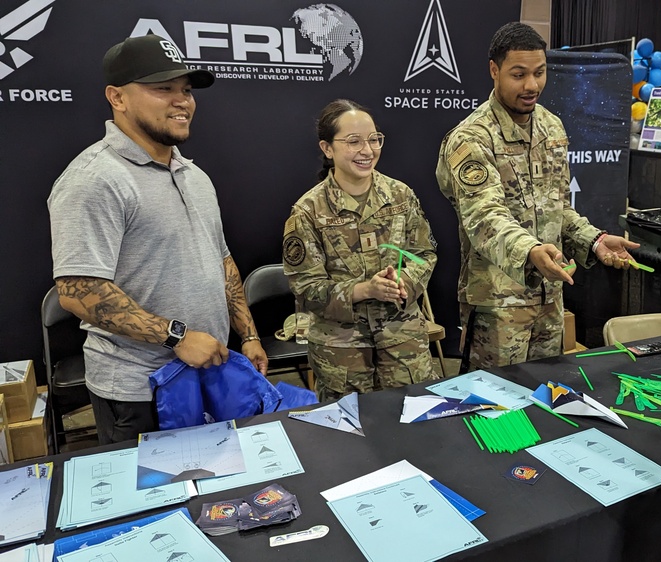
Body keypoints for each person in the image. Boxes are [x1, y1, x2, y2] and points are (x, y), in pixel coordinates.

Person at [48, 34, 267, 444]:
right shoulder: (94, 179)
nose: (181, 100)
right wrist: (177, 336)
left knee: (217, 496)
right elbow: (79, 291)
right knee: (156, 505)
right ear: (118, 97)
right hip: (137, 392)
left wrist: (249, 335)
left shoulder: (194, 175)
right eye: (162, 89)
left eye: (185, 90)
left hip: (211, 373)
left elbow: (221, 260)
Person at [436, 22, 639, 371]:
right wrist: (529, 250)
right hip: (498, 306)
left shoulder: (551, 126)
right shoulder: (472, 138)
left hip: (550, 298)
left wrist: (594, 240)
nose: (532, 85)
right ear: (494, 71)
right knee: (495, 407)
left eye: (539, 73)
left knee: (546, 401)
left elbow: (558, 207)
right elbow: (484, 218)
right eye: (518, 75)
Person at [283, 100, 438, 402]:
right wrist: (365, 289)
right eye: (353, 141)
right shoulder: (308, 211)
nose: (367, 150)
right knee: (352, 438)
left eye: (373, 139)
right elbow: (306, 288)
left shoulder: (401, 196)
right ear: (328, 148)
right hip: (342, 352)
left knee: (414, 429)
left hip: (402, 341)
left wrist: (402, 282)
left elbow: (424, 253)